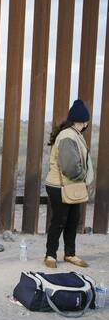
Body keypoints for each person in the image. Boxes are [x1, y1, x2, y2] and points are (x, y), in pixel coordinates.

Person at [43, 100, 95, 269]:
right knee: (60, 220)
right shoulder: (68, 136)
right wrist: (82, 176)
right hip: (60, 186)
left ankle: (70, 254)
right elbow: (69, 167)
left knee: (72, 220)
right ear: (84, 121)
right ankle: (50, 255)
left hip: (71, 185)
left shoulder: (73, 134)